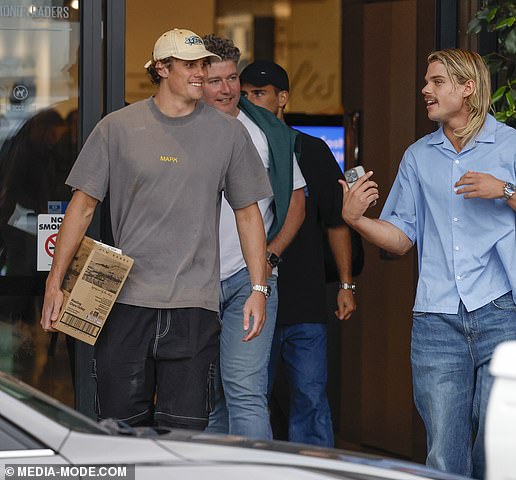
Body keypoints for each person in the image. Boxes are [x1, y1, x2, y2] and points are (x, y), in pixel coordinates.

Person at [340, 49, 516, 478]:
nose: (425, 90)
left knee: (495, 444)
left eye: (436, 82)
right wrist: (356, 220)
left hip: (498, 314)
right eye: (426, 82)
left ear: (468, 88)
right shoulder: (418, 157)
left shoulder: (515, 149)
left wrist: (505, 190)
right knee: (443, 453)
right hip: (435, 320)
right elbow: (402, 238)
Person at [40, 28, 272, 430]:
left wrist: (258, 288)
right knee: (117, 427)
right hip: (125, 301)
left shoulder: (228, 133)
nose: (201, 73)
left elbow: (248, 214)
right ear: (162, 68)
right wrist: (55, 283)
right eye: (190, 65)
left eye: (204, 64)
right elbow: (81, 208)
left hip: (195, 304)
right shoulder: (117, 128)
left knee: (184, 432)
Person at [241, 60, 357, 447]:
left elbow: (336, 221)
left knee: (310, 398)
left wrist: (345, 284)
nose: (249, 102)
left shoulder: (312, 149)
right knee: (251, 399)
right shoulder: (234, 148)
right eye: (244, 95)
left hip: (305, 300)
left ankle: (314, 472)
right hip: (249, 296)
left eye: (258, 94)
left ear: (282, 98)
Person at [201, 36, 307, 440]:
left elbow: (296, 197)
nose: (227, 89)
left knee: (245, 393)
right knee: (207, 397)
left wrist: (270, 257)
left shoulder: (263, 131)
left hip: (250, 279)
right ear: (197, 80)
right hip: (194, 280)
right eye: (216, 80)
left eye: (232, 78)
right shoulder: (182, 129)